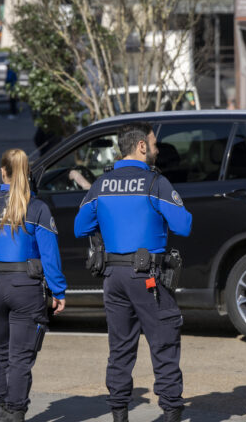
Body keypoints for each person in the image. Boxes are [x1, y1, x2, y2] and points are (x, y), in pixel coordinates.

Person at [74, 122, 193, 422]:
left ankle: (119, 414)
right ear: (141, 146)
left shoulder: (102, 185)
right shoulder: (156, 183)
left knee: (120, 347)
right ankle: (171, 412)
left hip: (113, 278)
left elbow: (80, 227)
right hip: (148, 277)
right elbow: (184, 225)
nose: (156, 150)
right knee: (163, 341)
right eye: (153, 144)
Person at [0, 148, 67, 422]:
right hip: (26, 286)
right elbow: (50, 256)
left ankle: (0, 411)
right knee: (21, 357)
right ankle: (16, 412)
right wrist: (58, 291)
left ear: (2, 171)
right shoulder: (37, 208)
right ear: (27, 173)